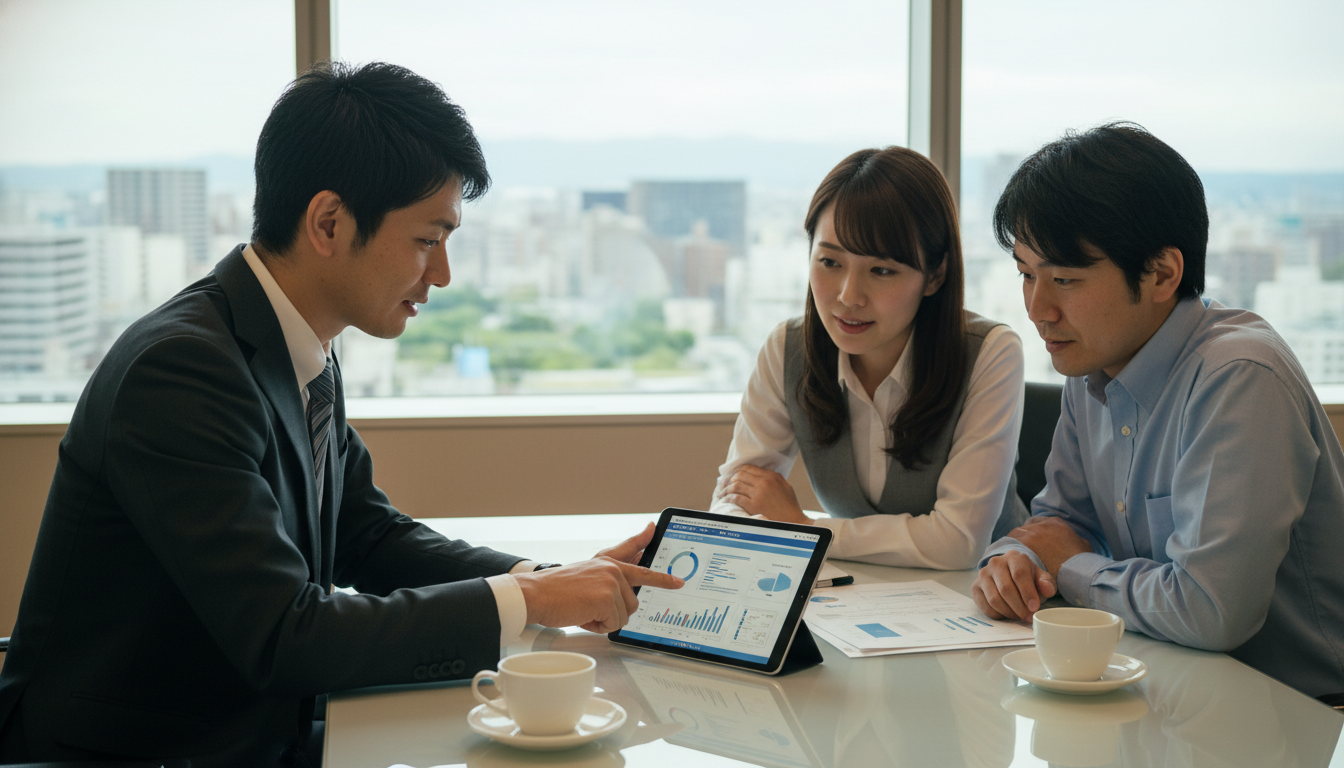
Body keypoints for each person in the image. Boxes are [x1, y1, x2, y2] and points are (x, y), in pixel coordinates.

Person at [0, 61, 683, 766]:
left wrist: (547, 578)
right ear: (329, 223)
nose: (443, 274)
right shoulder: (181, 371)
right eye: (428, 240)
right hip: (139, 752)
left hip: (250, 729)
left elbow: (367, 536)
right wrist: (530, 599)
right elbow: (284, 635)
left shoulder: (296, 344)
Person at [972, 122, 1344, 698]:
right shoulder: (1091, 363)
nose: (1038, 308)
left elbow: (1211, 610)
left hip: (1301, 712)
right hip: (1167, 690)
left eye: (1064, 279)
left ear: (1163, 274)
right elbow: (1057, 526)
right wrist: (1014, 561)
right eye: (1026, 274)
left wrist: (1068, 565)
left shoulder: (1238, 377)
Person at [710, 147, 1028, 569]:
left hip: (984, 594)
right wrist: (780, 527)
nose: (848, 296)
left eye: (881, 270)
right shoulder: (788, 349)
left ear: (935, 275)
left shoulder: (989, 353)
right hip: (851, 593)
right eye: (829, 262)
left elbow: (958, 542)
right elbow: (734, 501)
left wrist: (805, 529)